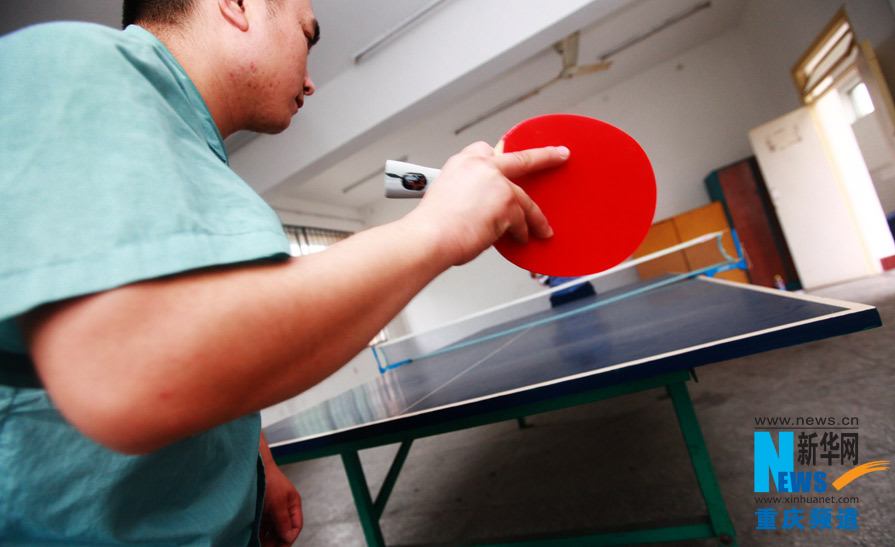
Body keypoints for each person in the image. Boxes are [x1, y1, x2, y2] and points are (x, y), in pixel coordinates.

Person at [0, 0, 569, 544]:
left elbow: (210, 343)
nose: (312, 79)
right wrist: (436, 229)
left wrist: (257, 464)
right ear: (238, 6)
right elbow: (130, 372)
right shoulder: (74, 62)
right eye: (308, 34)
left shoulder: (194, 160)